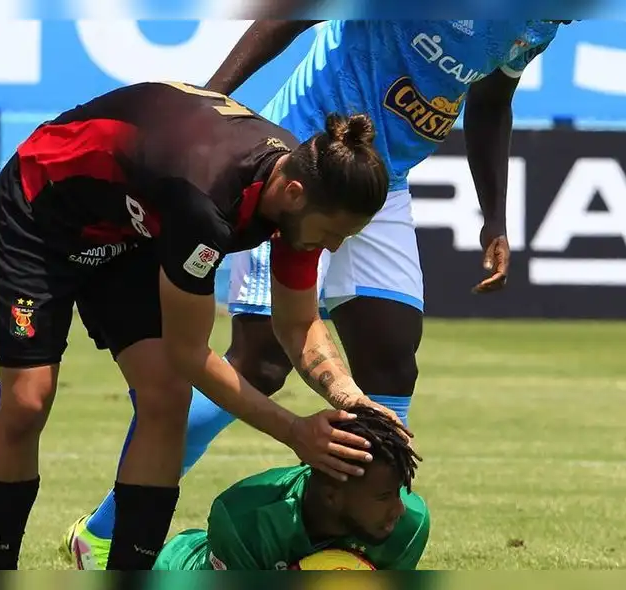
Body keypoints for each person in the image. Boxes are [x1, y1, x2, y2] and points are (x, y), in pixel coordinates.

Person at [66, 19, 569, 568]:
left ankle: (355, 539)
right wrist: (210, 99)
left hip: (383, 183)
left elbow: (492, 101)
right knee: (260, 362)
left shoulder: (541, 22)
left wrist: (493, 216)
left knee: (392, 358)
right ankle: (103, 531)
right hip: (301, 162)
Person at [0, 79, 400, 570]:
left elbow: (299, 323)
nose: (334, 247)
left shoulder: (297, 187)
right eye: (332, 234)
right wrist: (295, 431)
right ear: (295, 193)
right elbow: (190, 353)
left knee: (167, 398)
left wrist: (351, 399)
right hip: (41, 210)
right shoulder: (206, 201)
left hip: (134, 231)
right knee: (27, 401)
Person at [151, 406, 428, 571]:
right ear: (332, 496)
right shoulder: (246, 522)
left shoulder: (409, 525)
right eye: (383, 497)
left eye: (398, 491)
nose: (399, 508)